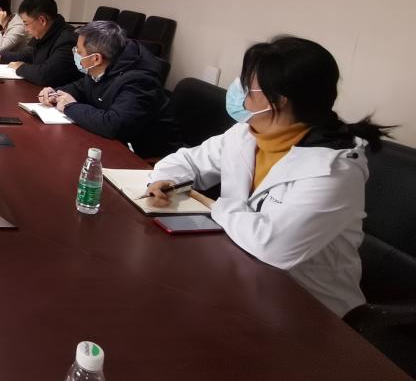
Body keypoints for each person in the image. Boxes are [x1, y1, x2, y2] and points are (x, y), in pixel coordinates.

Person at [146, 36, 392, 317]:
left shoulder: (335, 170)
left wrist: (215, 206)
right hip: (237, 274)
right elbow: (189, 160)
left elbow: (274, 247)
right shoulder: (248, 133)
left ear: (280, 99)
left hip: (307, 308)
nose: (241, 94)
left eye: (249, 88)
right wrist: (165, 179)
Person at [38, 21, 181, 158]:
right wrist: (55, 93)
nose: (75, 53)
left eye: (78, 51)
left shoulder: (140, 81)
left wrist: (70, 106)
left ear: (96, 59)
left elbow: (114, 125)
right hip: (114, 142)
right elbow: (82, 87)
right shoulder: (108, 62)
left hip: (145, 155)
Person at [0, 0, 78, 87]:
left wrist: (20, 67)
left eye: (26, 24)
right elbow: (28, 54)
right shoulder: (44, 33)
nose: (25, 29)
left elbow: (45, 75)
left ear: (42, 20)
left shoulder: (67, 39)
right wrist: (0, 57)